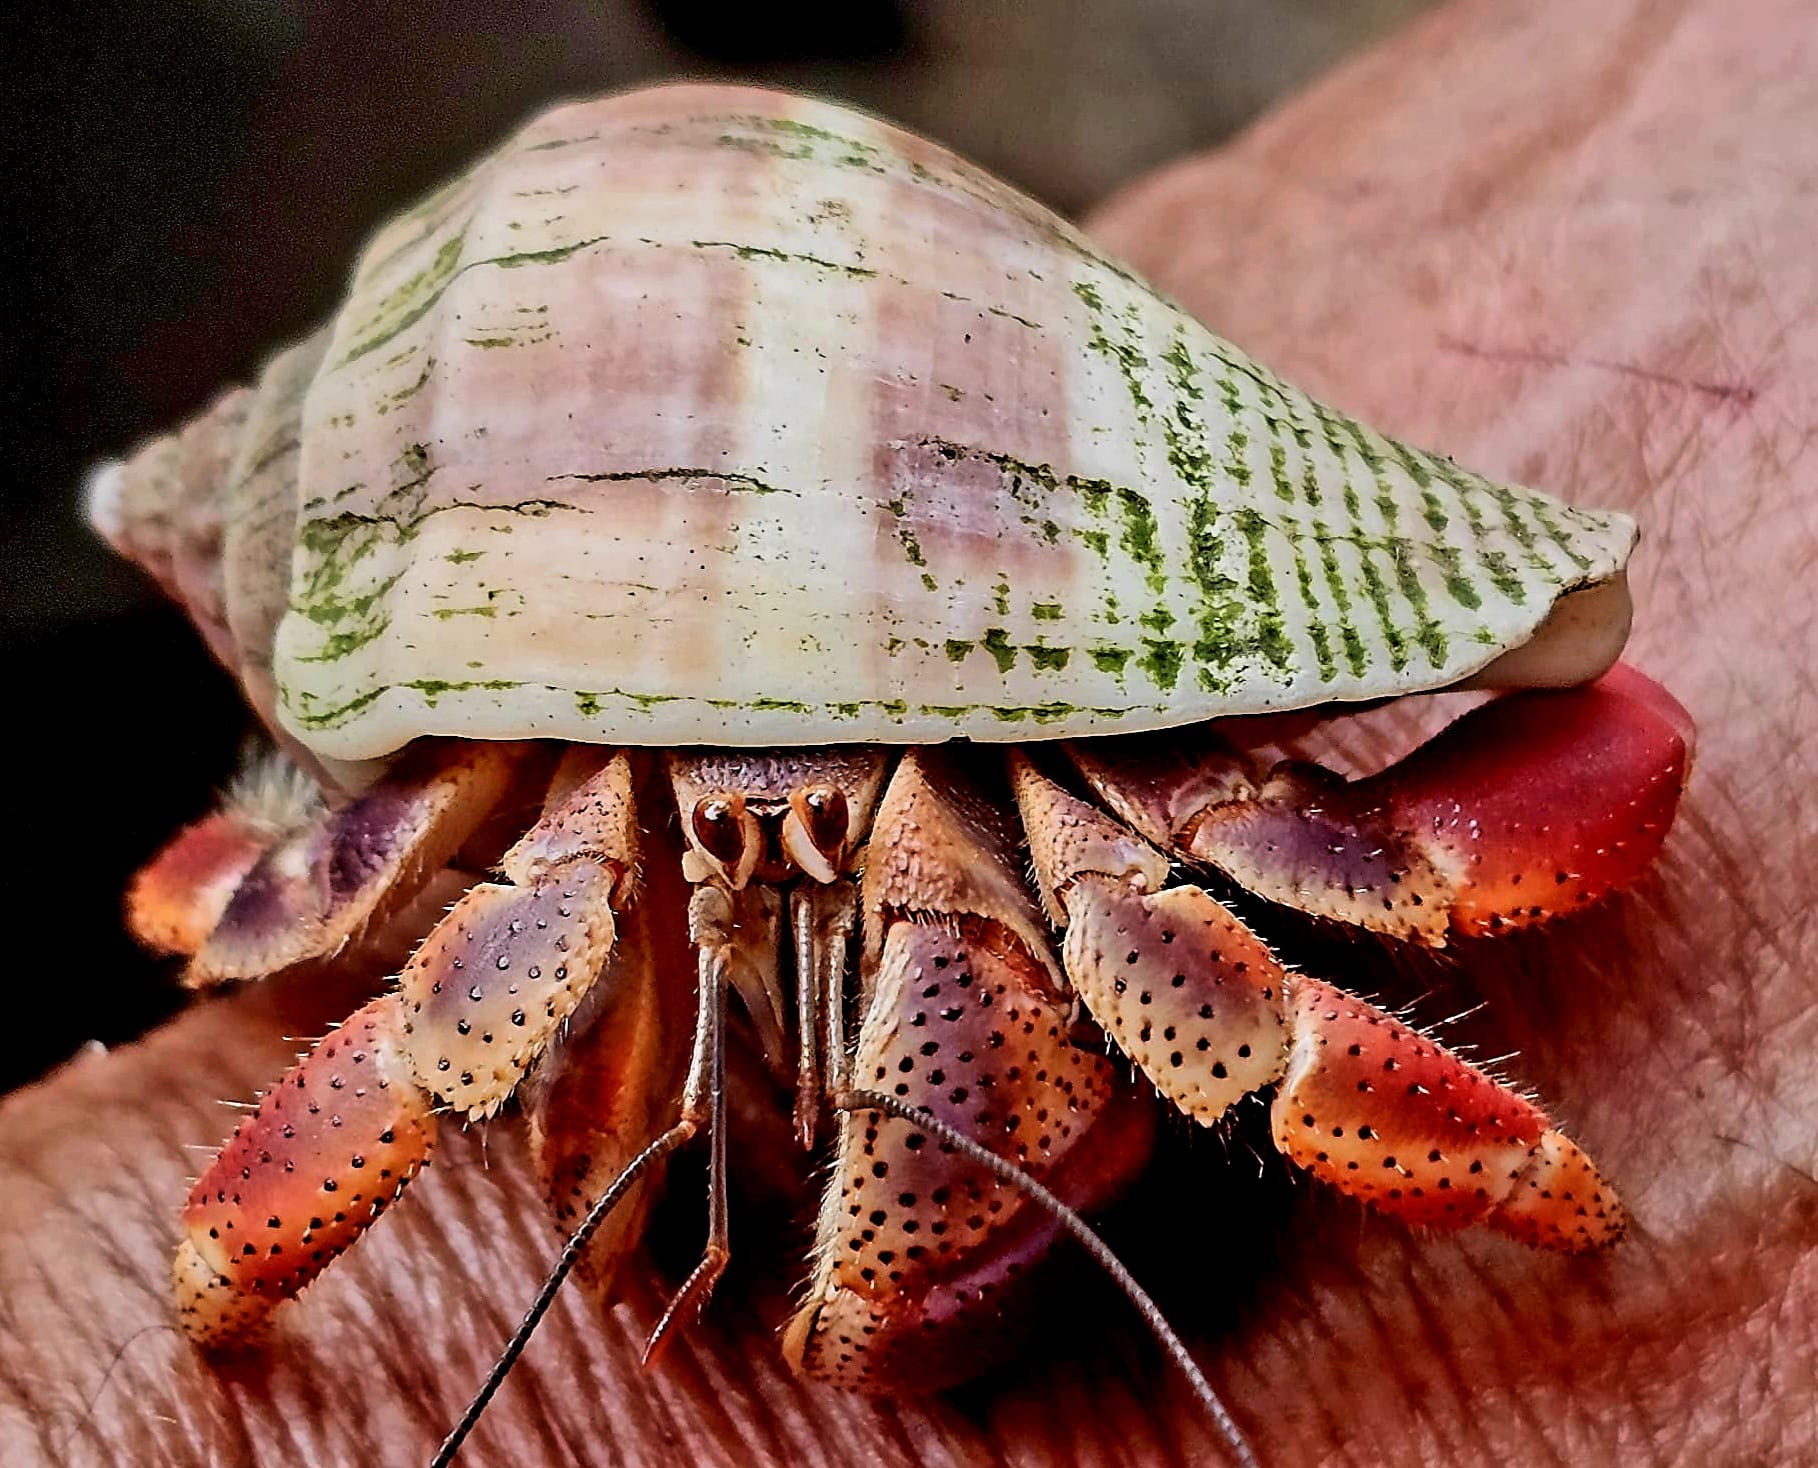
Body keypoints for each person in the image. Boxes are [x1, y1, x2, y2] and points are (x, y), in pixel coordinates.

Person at [3, 0, 1811, 1461]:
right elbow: (313, 966)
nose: (766, 868)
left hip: (930, 722)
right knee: (455, 1009)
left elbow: (1336, 952)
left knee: (1202, 995)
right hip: (567, 713)